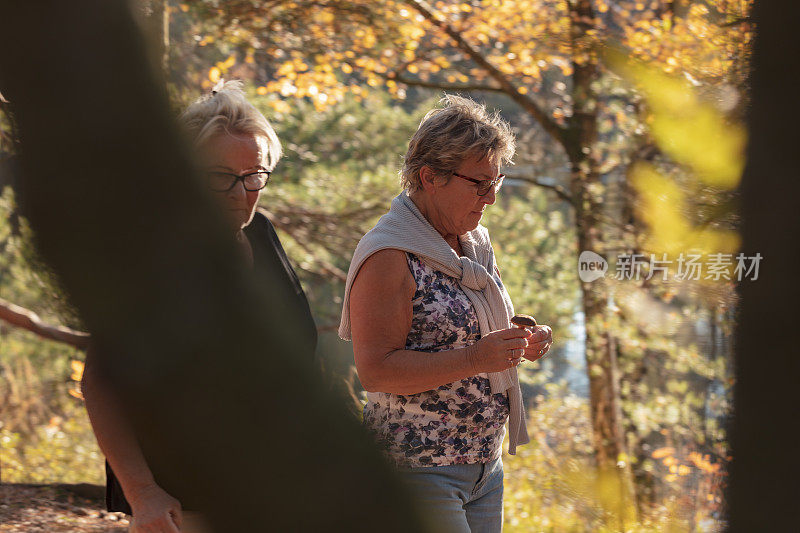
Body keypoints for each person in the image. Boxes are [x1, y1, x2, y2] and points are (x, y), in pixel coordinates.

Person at [81, 80, 317, 532]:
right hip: (184, 505)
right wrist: (143, 492)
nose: (239, 192)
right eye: (219, 176)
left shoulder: (261, 235)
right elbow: (101, 382)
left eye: (254, 176)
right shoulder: (153, 255)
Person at [338, 95, 553, 533]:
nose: (491, 198)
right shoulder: (389, 254)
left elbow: (474, 332)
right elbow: (375, 371)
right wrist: (476, 359)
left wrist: (520, 343)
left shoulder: (472, 242)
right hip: (415, 471)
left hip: (483, 470)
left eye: (497, 182)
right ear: (429, 176)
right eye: (479, 184)